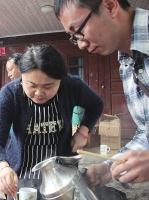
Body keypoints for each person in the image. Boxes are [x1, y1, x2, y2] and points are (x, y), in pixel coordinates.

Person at [0, 44, 103, 199]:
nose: (39, 93)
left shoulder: (71, 86)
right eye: (31, 85)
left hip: (61, 177)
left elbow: (96, 104)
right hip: (23, 177)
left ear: (61, 79)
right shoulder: (10, 94)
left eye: (49, 86)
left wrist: (83, 130)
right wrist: (3, 167)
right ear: (22, 76)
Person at [54, 0, 149, 186]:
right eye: (74, 37)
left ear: (110, 7)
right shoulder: (126, 66)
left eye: (78, 30)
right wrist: (110, 168)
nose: (80, 45)